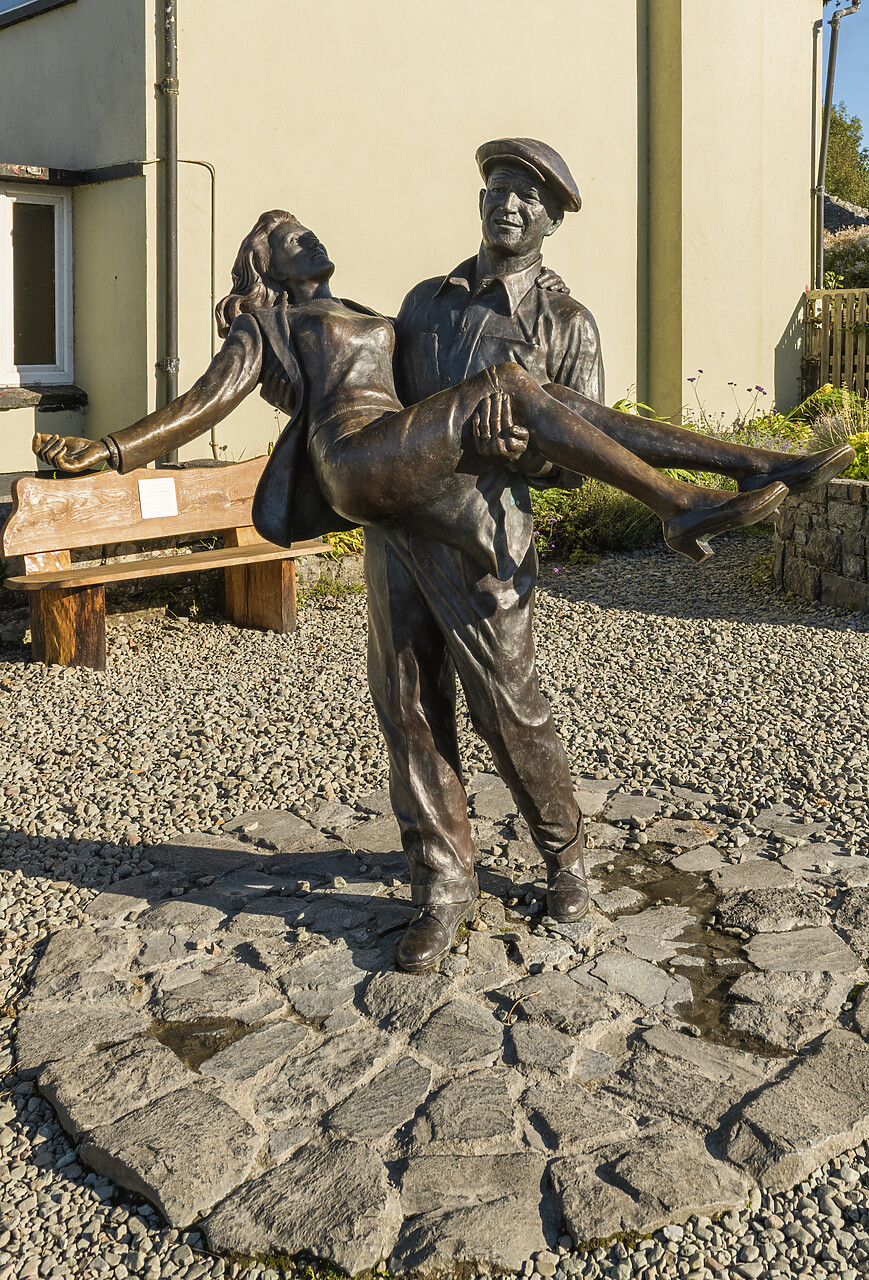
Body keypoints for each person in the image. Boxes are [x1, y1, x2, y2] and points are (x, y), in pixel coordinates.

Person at [34, 157, 853, 975]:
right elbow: (275, 393)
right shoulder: (417, 303)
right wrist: (114, 448)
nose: (509, 205)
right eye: (498, 190)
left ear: (551, 220)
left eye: (528, 198)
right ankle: (441, 885)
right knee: (409, 705)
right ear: (480, 200)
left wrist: (520, 453)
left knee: (510, 707)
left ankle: (564, 858)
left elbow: (570, 461)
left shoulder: (569, 322)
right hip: (392, 516)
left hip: (481, 532)